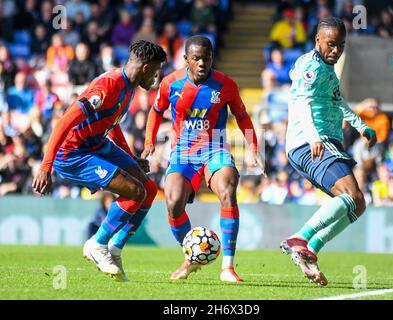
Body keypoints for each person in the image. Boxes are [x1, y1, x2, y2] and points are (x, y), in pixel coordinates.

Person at [32, 40, 167, 282]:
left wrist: (131, 158)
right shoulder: (108, 85)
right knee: (135, 191)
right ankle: (97, 243)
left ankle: (114, 249)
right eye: (156, 72)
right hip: (72, 152)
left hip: (96, 143)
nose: (157, 79)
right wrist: (45, 167)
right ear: (146, 68)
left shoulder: (128, 86)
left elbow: (111, 125)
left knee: (148, 189)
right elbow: (64, 121)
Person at [142, 36, 265, 283]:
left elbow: (242, 116)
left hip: (215, 149)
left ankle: (228, 268)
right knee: (173, 201)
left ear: (212, 58)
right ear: (186, 59)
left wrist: (252, 146)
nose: (201, 63)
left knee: (228, 191)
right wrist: (149, 142)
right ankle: (191, 257)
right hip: (183, 152)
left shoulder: (225, 85)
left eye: (206, 58)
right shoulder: (170, 83)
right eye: (196, 58)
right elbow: (155, 112)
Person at [279, 17, 377, 286]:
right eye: (331, 44)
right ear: (318, 41)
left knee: (357, 204)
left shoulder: (327, 69)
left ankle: (310, 250)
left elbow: (337, 101)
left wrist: (361, 126)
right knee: (351, 194)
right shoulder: (310, 67)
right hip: (311, 142)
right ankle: (300, 238)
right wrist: (313, 136)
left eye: (341, 45)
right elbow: (301, 102)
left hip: (325, 142)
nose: (336, 51)